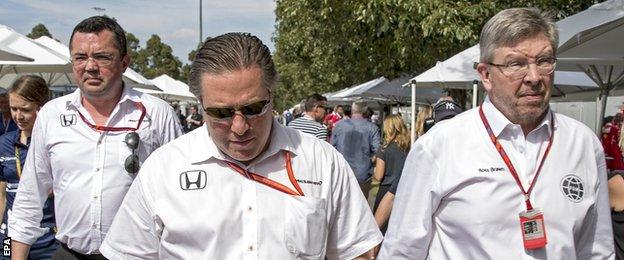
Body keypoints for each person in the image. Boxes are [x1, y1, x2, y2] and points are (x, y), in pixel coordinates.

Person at [98, 32, 382, 259]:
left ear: (272, 96)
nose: (239, 127)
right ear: (201, 105)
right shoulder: (164, 169)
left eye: (254, 108)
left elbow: (355, 252)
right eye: (221, 113)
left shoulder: (322, 161)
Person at [379, 8, 614, 259]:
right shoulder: (439, 145)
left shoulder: (583, 143)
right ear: (486, 75)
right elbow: (401, 252)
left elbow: (597, 250)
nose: (534, 77)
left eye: (544, 61)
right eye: (516, 64)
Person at [8, 16, 182, 259]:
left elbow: (178, 197)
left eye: (102, 57)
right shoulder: (51, 115)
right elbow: (29, 196)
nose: (90, 66)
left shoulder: (157, 114)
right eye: (80, 57)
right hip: (69, 253)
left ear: (124, 62)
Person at [0, 76, 57, 259]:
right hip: (9, 237)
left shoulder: (54, 144)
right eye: (13, 108)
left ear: (41, 108)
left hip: (48, 240)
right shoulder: (4, 143)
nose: (18, 116)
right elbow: (1, 195)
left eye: (25, 110)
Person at [331, 101, 381, 195]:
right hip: (362, 173)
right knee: (361, 206)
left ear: (352, 110)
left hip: (342, 171)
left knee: (341, 205)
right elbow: (377, 150)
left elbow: (332, 148)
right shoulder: (372, 128)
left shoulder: (339, 125)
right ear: (365, 111)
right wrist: (370, 161)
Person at [371, 115, 410, 226]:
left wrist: (373, 171)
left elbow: (379, 176)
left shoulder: (384, 149)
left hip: (386, 191)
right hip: (403, 189)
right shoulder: (408, 147)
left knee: (381, 227)